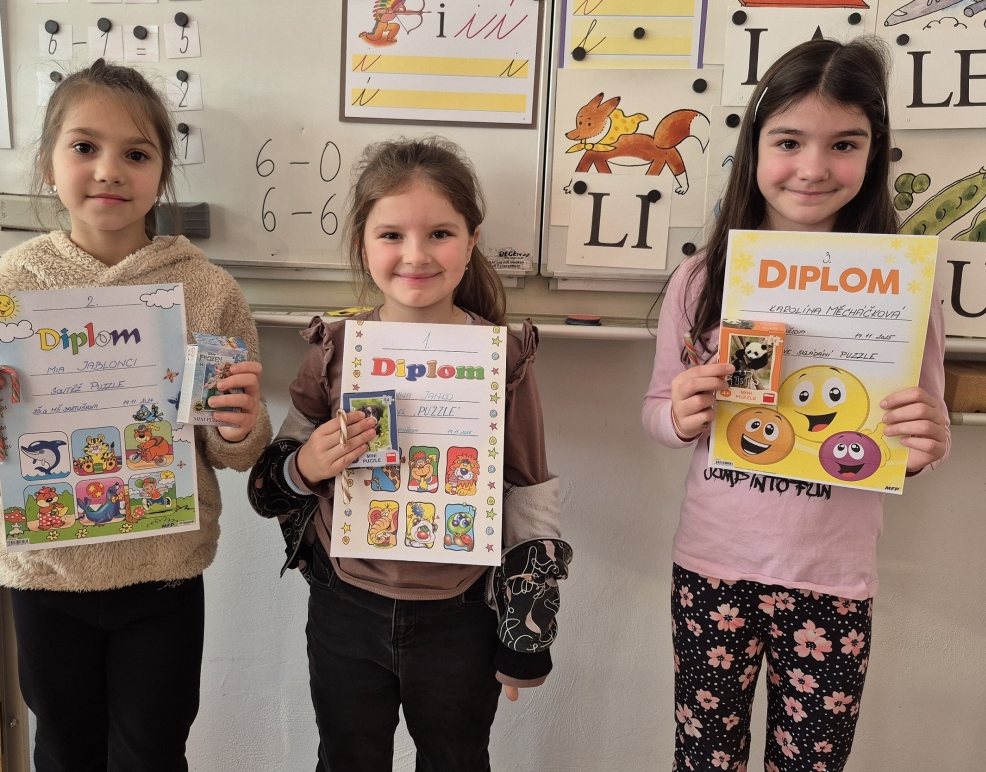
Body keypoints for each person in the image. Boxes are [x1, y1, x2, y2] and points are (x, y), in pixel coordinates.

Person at [0, 59, 271, 771]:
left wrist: (239, 427)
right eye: (85, 147)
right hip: (45, 573)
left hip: (163, 570)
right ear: (48, 166)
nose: (109, 170)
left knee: (153, 750)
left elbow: (230, 450)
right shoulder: (9, 291)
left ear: (162, 173)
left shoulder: (207, 292)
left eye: (136, 154)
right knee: (63, 748)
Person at [642, 39, 950, 772]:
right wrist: (679, 416)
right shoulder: (701, 280)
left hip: (832, 577)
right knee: (703, 757)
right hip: (715, 564)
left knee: (813, 762)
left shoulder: (909, 287)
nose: (813, 168)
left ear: (873, 153)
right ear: (754, 147)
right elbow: (657, 408)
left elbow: (918, 433)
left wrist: (925, 446)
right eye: (788, 141)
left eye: (844, 144)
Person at [247, 137, 571, 772]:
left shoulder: (501, 356)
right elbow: (269, 485)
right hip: (345, 605)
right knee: (346, 758)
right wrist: (306, 465)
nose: (416, 255)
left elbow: (528, 488)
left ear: (471, 243)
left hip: (462, 614)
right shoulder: (335, 348)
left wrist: (527, 629)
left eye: (440, 234)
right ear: (363, 244)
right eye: (391, 234)